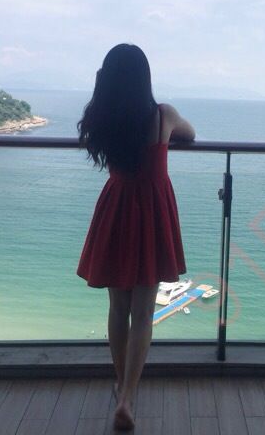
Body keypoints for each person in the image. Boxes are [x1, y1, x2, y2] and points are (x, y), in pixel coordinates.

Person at [76, 43, 195, 430]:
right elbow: (190, 134)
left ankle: (119, 384)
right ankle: (128, 395)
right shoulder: (163, 116)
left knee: (118, 308)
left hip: (117, 208)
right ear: (146, 79)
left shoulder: (104, 118)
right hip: (152, 212)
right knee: (144, 313)